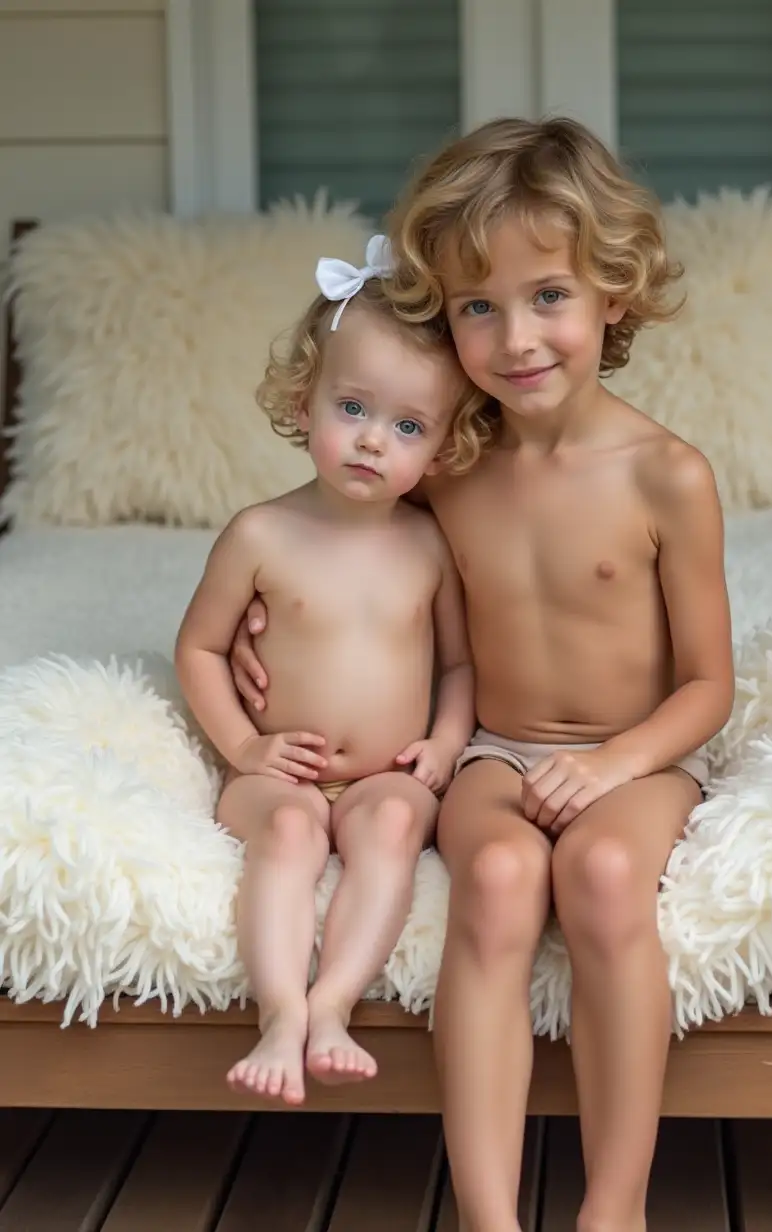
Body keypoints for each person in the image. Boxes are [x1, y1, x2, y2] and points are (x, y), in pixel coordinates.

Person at [230, 119, 734, 1230]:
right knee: (499, 878)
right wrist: (267, 632)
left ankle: (616, 1205)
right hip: (492, 751)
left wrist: (613, 763)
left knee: (602, 873)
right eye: (477, 306)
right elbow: (345, 556)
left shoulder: (667, 475)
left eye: (548, 294)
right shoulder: (445, 464)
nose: (515, 338)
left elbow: (707, 684)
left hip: (633, 754)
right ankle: (488, 1213)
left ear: (614, 291)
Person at [175, 236, 488, 1108]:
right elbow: (198, 648)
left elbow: (459, 665)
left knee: (390, 829)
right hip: (283, 773)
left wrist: (444, 744)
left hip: (387, 773)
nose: (371, 441)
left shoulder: (429, 543)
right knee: (288, 835)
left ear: (442, 447)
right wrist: (244, 748)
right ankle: (279, 1011)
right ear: (303, 398)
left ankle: (333, 1005)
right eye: (351, 406)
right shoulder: (259, 534)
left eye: (409, 427)